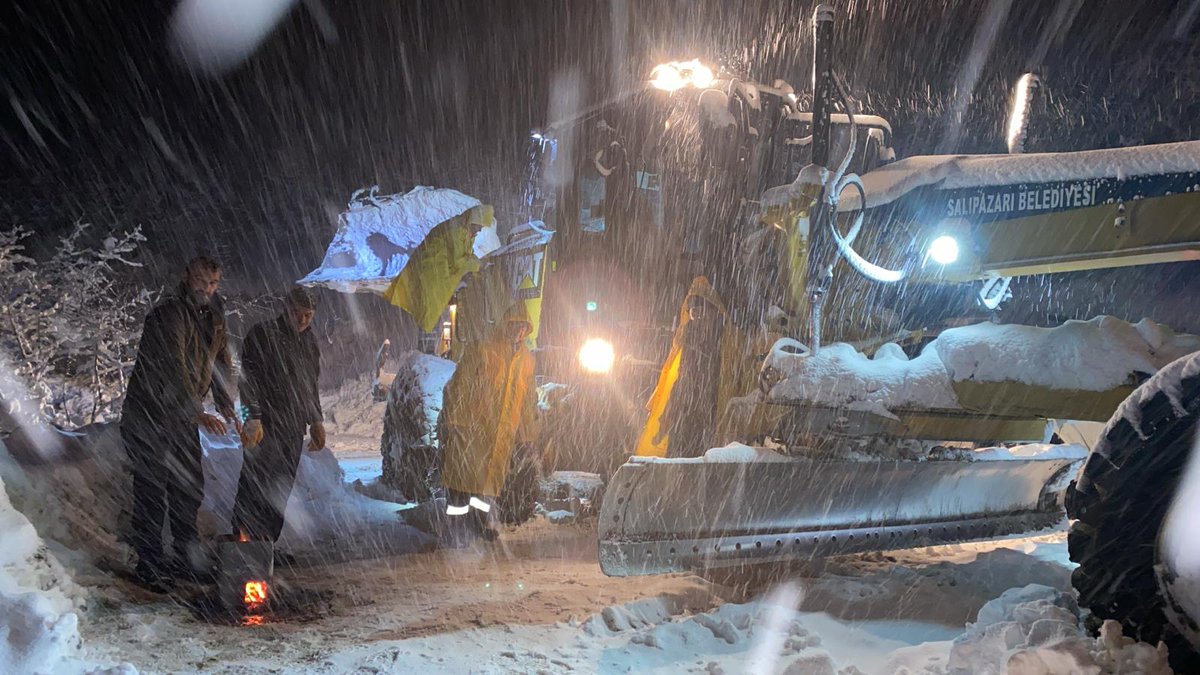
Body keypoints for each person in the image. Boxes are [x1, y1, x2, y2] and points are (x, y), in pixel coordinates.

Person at [122, 255, 238, 590]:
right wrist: (195, 409)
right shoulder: (169, 313)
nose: (207, 288)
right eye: (202, 280)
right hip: (150, 415)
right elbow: (172, 366)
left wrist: (225, 404)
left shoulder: (214, 317)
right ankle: (150, 565)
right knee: (152, 490)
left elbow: (220, 363)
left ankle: (188, 560)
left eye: (214, 282)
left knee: (188, 487)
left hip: (182, 418)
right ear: (187, 275)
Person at [439, 301, 538, 541]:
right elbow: (460, 386)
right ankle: (455, 527)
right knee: (462, 483)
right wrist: (456, 419)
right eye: (514, 325)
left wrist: (528, 434)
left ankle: (479, 525)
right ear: (506, 324)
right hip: (472, 430)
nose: (518, 331)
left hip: (500, 435)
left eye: (523, 326)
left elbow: (527, 401)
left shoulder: (526, 360)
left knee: (486, 485)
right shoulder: (483, 349)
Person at [233, 286, 324, 544]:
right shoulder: (262, 335)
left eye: (308, 315)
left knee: (279, 491)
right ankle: (243, 545)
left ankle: (266, 548)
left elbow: (310, 386)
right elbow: (247, 382)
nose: (302, 320)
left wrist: (316, 420)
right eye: (297, 313)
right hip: (264, 426)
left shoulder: (309, 342)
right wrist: (252, 416)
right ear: (286, 307)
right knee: (253, 487)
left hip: (293, 428)